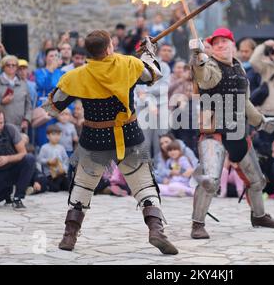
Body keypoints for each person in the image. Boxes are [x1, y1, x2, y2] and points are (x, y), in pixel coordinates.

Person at [42, 30, 178, 255]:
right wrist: (148, 54)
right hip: (129, 135)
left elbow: (52, 107)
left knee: (83, 186)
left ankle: (69, 236)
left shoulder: (76, 76)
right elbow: (153, 75)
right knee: (144, 186)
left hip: (93, 139)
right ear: (109, 48)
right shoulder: (129, 65)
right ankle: (156, 231)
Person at [188, 27, 274, 240]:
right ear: (210, 48)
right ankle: (197, 224)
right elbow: (206, 80)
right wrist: (198, 57)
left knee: (258, 181)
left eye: (224, 41)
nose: (220, 45)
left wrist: (260, 121)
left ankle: (259, 216)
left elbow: (245, 102)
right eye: (216, 43)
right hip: (213, 131)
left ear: (232, 44)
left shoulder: (240, 69)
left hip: (237, 129)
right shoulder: (209, 65)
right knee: (210, 181)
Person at [0, 56, 32, 132]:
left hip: (20, 127)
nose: (11, 67)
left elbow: (28, 105)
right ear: (3, 67)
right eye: (8, 65)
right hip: (0, 127)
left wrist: (26, 120)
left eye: (13, 65)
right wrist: (1, 102)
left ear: (17, 67)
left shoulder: (23, 84)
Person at [38, 124, 70, 192]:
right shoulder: (44, 147)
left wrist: (64, 168)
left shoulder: (61, 147)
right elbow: (40, 159)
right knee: (54, 189)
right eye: (53, 134)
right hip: (50, 175)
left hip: (61, 173)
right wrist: (48, 161)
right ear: (48, 136)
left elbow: (66, 159)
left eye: (58, 135)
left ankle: (62, 184)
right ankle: (52, 185)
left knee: (68, 185)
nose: (56, 137)